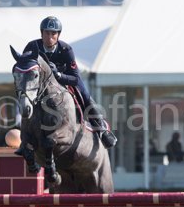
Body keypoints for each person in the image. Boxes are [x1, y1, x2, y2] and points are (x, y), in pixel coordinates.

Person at [22, 16, 117, 149]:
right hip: (40, 83)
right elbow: (25, 68)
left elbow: (75, 78)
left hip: (65, 79)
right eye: (47, 33)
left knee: (84, 95)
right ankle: (24, 137)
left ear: (58, 35)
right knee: (25, 97)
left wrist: (58, 75)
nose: (50, 37)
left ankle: (101, 128)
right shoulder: (32, 46)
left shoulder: (66, 49)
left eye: (53, 33)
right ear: (41, 33)